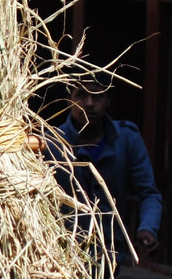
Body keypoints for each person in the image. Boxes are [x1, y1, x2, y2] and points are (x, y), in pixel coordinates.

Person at [53, 72, 162, 264]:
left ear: (108, 100)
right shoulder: (51, 143)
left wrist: (147, 228)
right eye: (81, 95)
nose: (89, 103)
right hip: (62, 252)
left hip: (110, 251)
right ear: (69, 100)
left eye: (98, 96)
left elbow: (148, 193)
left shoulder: (127, 138)